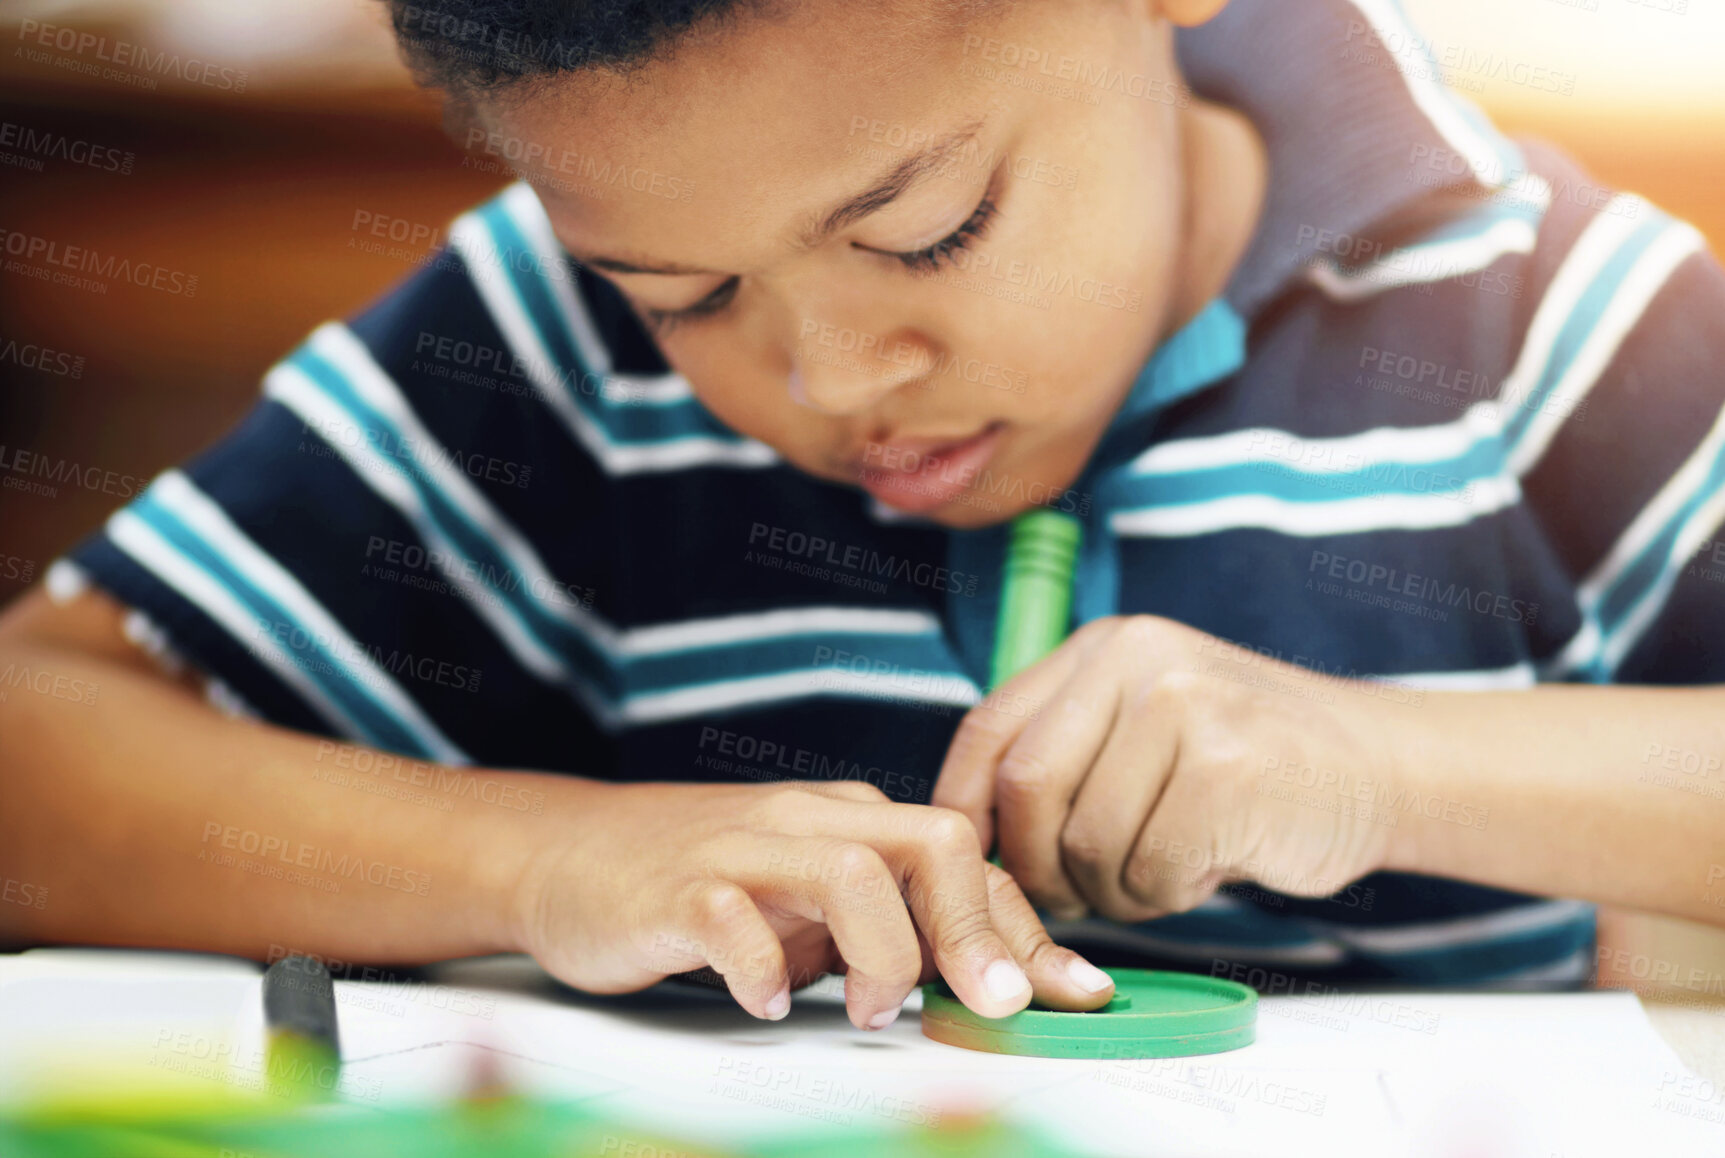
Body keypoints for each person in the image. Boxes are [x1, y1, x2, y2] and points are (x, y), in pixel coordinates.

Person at [3, 0, 1722, 1031]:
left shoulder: (1539, 324)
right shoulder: (546, 339)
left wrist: (1387, 768)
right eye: (683, 292)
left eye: (928, 231)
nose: (830, 376)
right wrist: (547, 859)